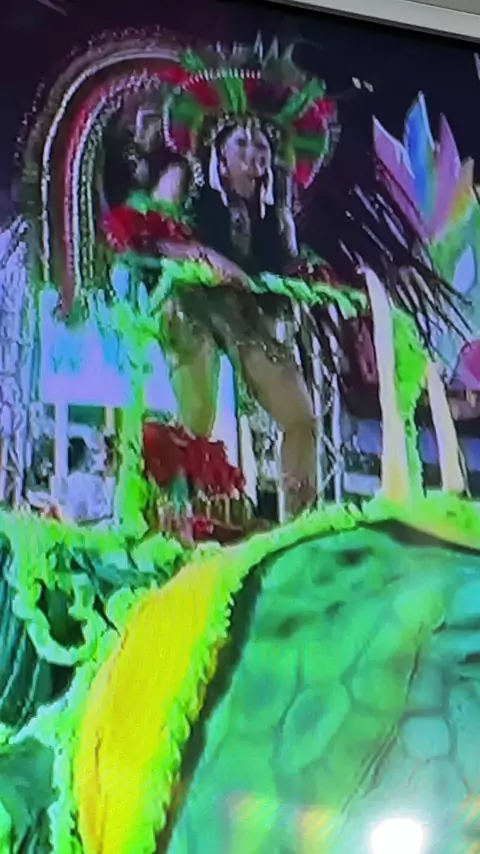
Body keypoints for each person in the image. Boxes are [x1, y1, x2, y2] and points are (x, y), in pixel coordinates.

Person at [100, 41, 349, 518]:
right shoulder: (183, 179)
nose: (255, 156)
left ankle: (299, 528)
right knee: (197, 418)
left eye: (263, 147)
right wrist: (204, 255)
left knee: (301, 417)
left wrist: (316, 273)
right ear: (217, 149)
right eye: (243, 145)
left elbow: (289, 266)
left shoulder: (275, 210)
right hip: (189, 303)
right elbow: (144, 232)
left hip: (244, 312)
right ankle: (176, 524)